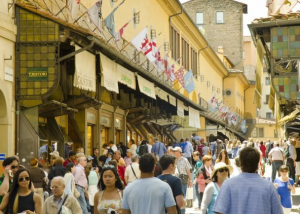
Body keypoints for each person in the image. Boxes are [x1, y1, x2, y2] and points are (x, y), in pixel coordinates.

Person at [213, 147, 283, 214]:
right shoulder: (269, 187)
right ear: (258, 163)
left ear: (240, 163)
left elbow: (220, 211)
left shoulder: (228, 184)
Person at [171, 147, 192, 214]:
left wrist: (190, 180)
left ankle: (182, 212)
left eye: (175, 151)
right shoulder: (173, 160)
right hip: (175, 180)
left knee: (183, 196)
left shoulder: (184, 160)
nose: (174, 152)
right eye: (173, 151)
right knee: (176, 196)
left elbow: (188, 170)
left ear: (179, 152)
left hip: (183, 180)